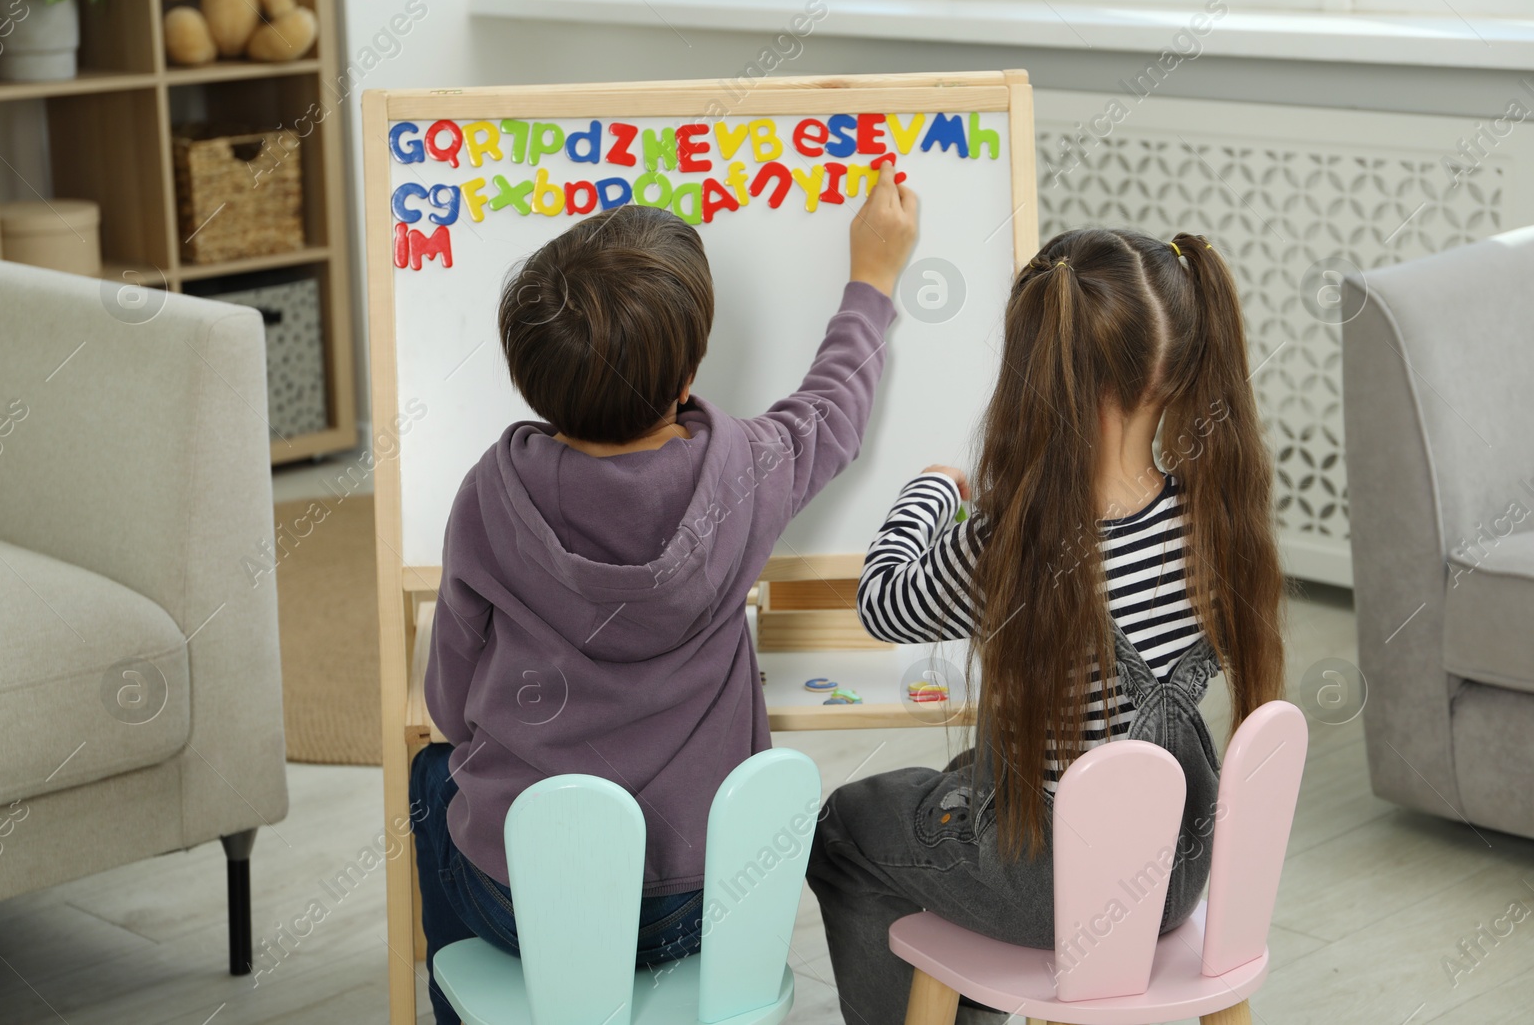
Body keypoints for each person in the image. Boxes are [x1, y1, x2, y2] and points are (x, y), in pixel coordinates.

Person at [412, 164, 919, 1024]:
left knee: (432, 779)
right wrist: (871, 276)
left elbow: (451, 706)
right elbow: (833, 408)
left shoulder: (488, 496)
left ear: (530, 378)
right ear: (687, 378)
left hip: (527, 905)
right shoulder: (746, 473)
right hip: (701, 906)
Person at [808, 229, 1286, 1025]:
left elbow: (883, 601)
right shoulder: (1216, 516)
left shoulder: (1009, 545)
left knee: (849, 826)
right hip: (1186, 861)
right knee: (973, 769)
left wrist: (929, 491)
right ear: (1178, 366)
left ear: (1043, 370)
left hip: (1060, 888)